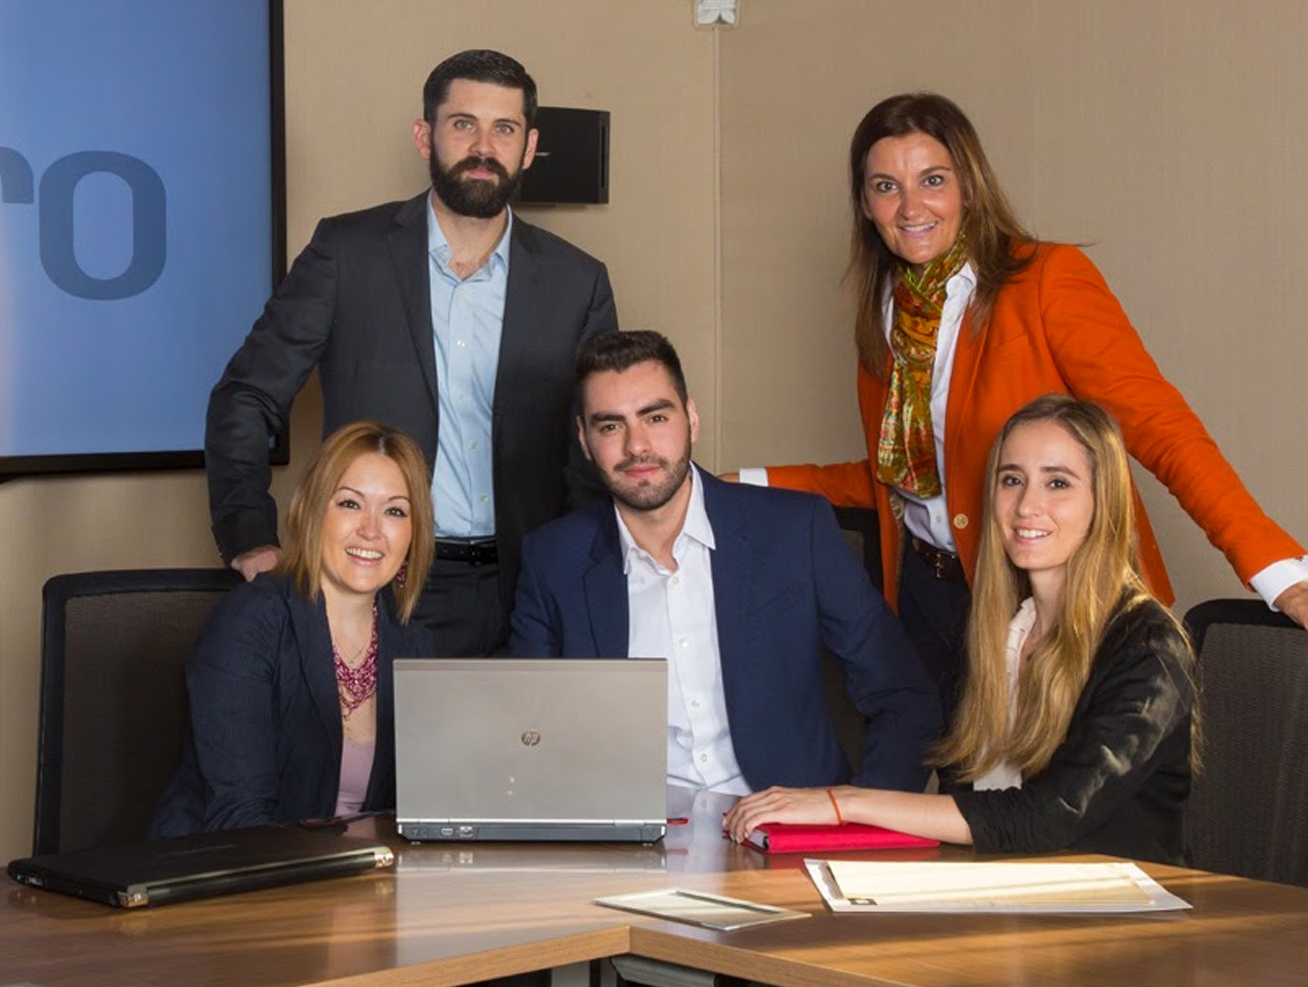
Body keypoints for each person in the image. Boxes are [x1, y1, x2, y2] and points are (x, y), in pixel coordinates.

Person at [741, 92, 1308, 706]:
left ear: (970, 187)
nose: (911, 207)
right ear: (865, 204)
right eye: (885, 186)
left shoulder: (1046, 281)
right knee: (962, 791)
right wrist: (743, 480)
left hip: (1054, 598)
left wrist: (1276, 569)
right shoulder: (887, 314)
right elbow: (910, 478)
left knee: (1053, 798)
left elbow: (1162, 428)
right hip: (928, 598)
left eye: (932, 180)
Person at [205, 48, 617, 656]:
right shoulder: (347, 254)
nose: (483, 146)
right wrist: (250, 538)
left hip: (534, 585)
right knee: (383, 754)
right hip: (386, 581)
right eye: (462, 124)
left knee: (525, 753)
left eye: (504, 128)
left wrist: (581, 571)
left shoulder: (578, 281)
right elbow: (245, 397)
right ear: (426, 137)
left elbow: (597, 438)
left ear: (528, 148)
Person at [726, 396, 1197, 862]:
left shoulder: (1148, 647)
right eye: (1012, 480)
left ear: (1103, 502)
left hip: (1115, 913)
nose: (1027, 505)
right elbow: (967, 799)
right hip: (1001, 897)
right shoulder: (998, 631)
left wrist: (843, 802)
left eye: (1058, 483)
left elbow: (1047, 817)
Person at [509, 330, 940, 798]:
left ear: (691, 416)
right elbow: (526, 733)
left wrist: (854, 815)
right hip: (633, 841)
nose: (637, 446)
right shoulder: (553, 560)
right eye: (611, 426)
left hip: (786, 833)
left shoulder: (795, 531)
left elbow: (905, 696)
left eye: (655, 417)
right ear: (585, 440)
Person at [153, 421, 436, 834]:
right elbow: (240, 820)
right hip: (223, 880)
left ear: (414, 535)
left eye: (394, 511)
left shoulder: (414, 646)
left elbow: (417, 815)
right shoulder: (252, 623)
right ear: (312, 511)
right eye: (350, 504)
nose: (371, 530)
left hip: (355, 884)